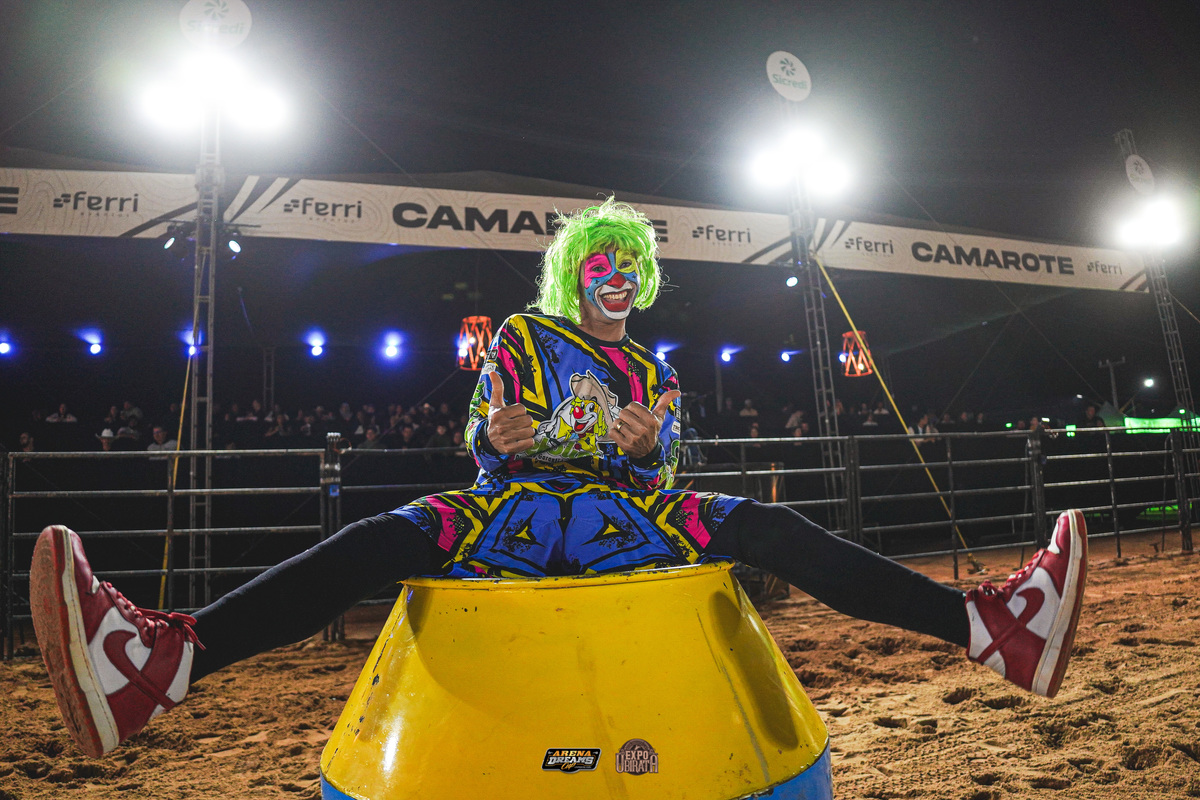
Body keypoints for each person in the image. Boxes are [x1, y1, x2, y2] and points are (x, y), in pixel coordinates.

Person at [29, 198, 1087, 760]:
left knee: (774, 526)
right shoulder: (524, 335)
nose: (618, 279)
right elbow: (484, 438)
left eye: (632, 267)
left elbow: (670, 462)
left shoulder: (657, 371)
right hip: (515, 511)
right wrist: (502, 435)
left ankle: (992, 628)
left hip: (631, 515)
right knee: (377, 539)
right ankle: (160, 663)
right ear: (575, 271)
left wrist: (645, 447)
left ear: (645, 279)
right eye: (601, 264)